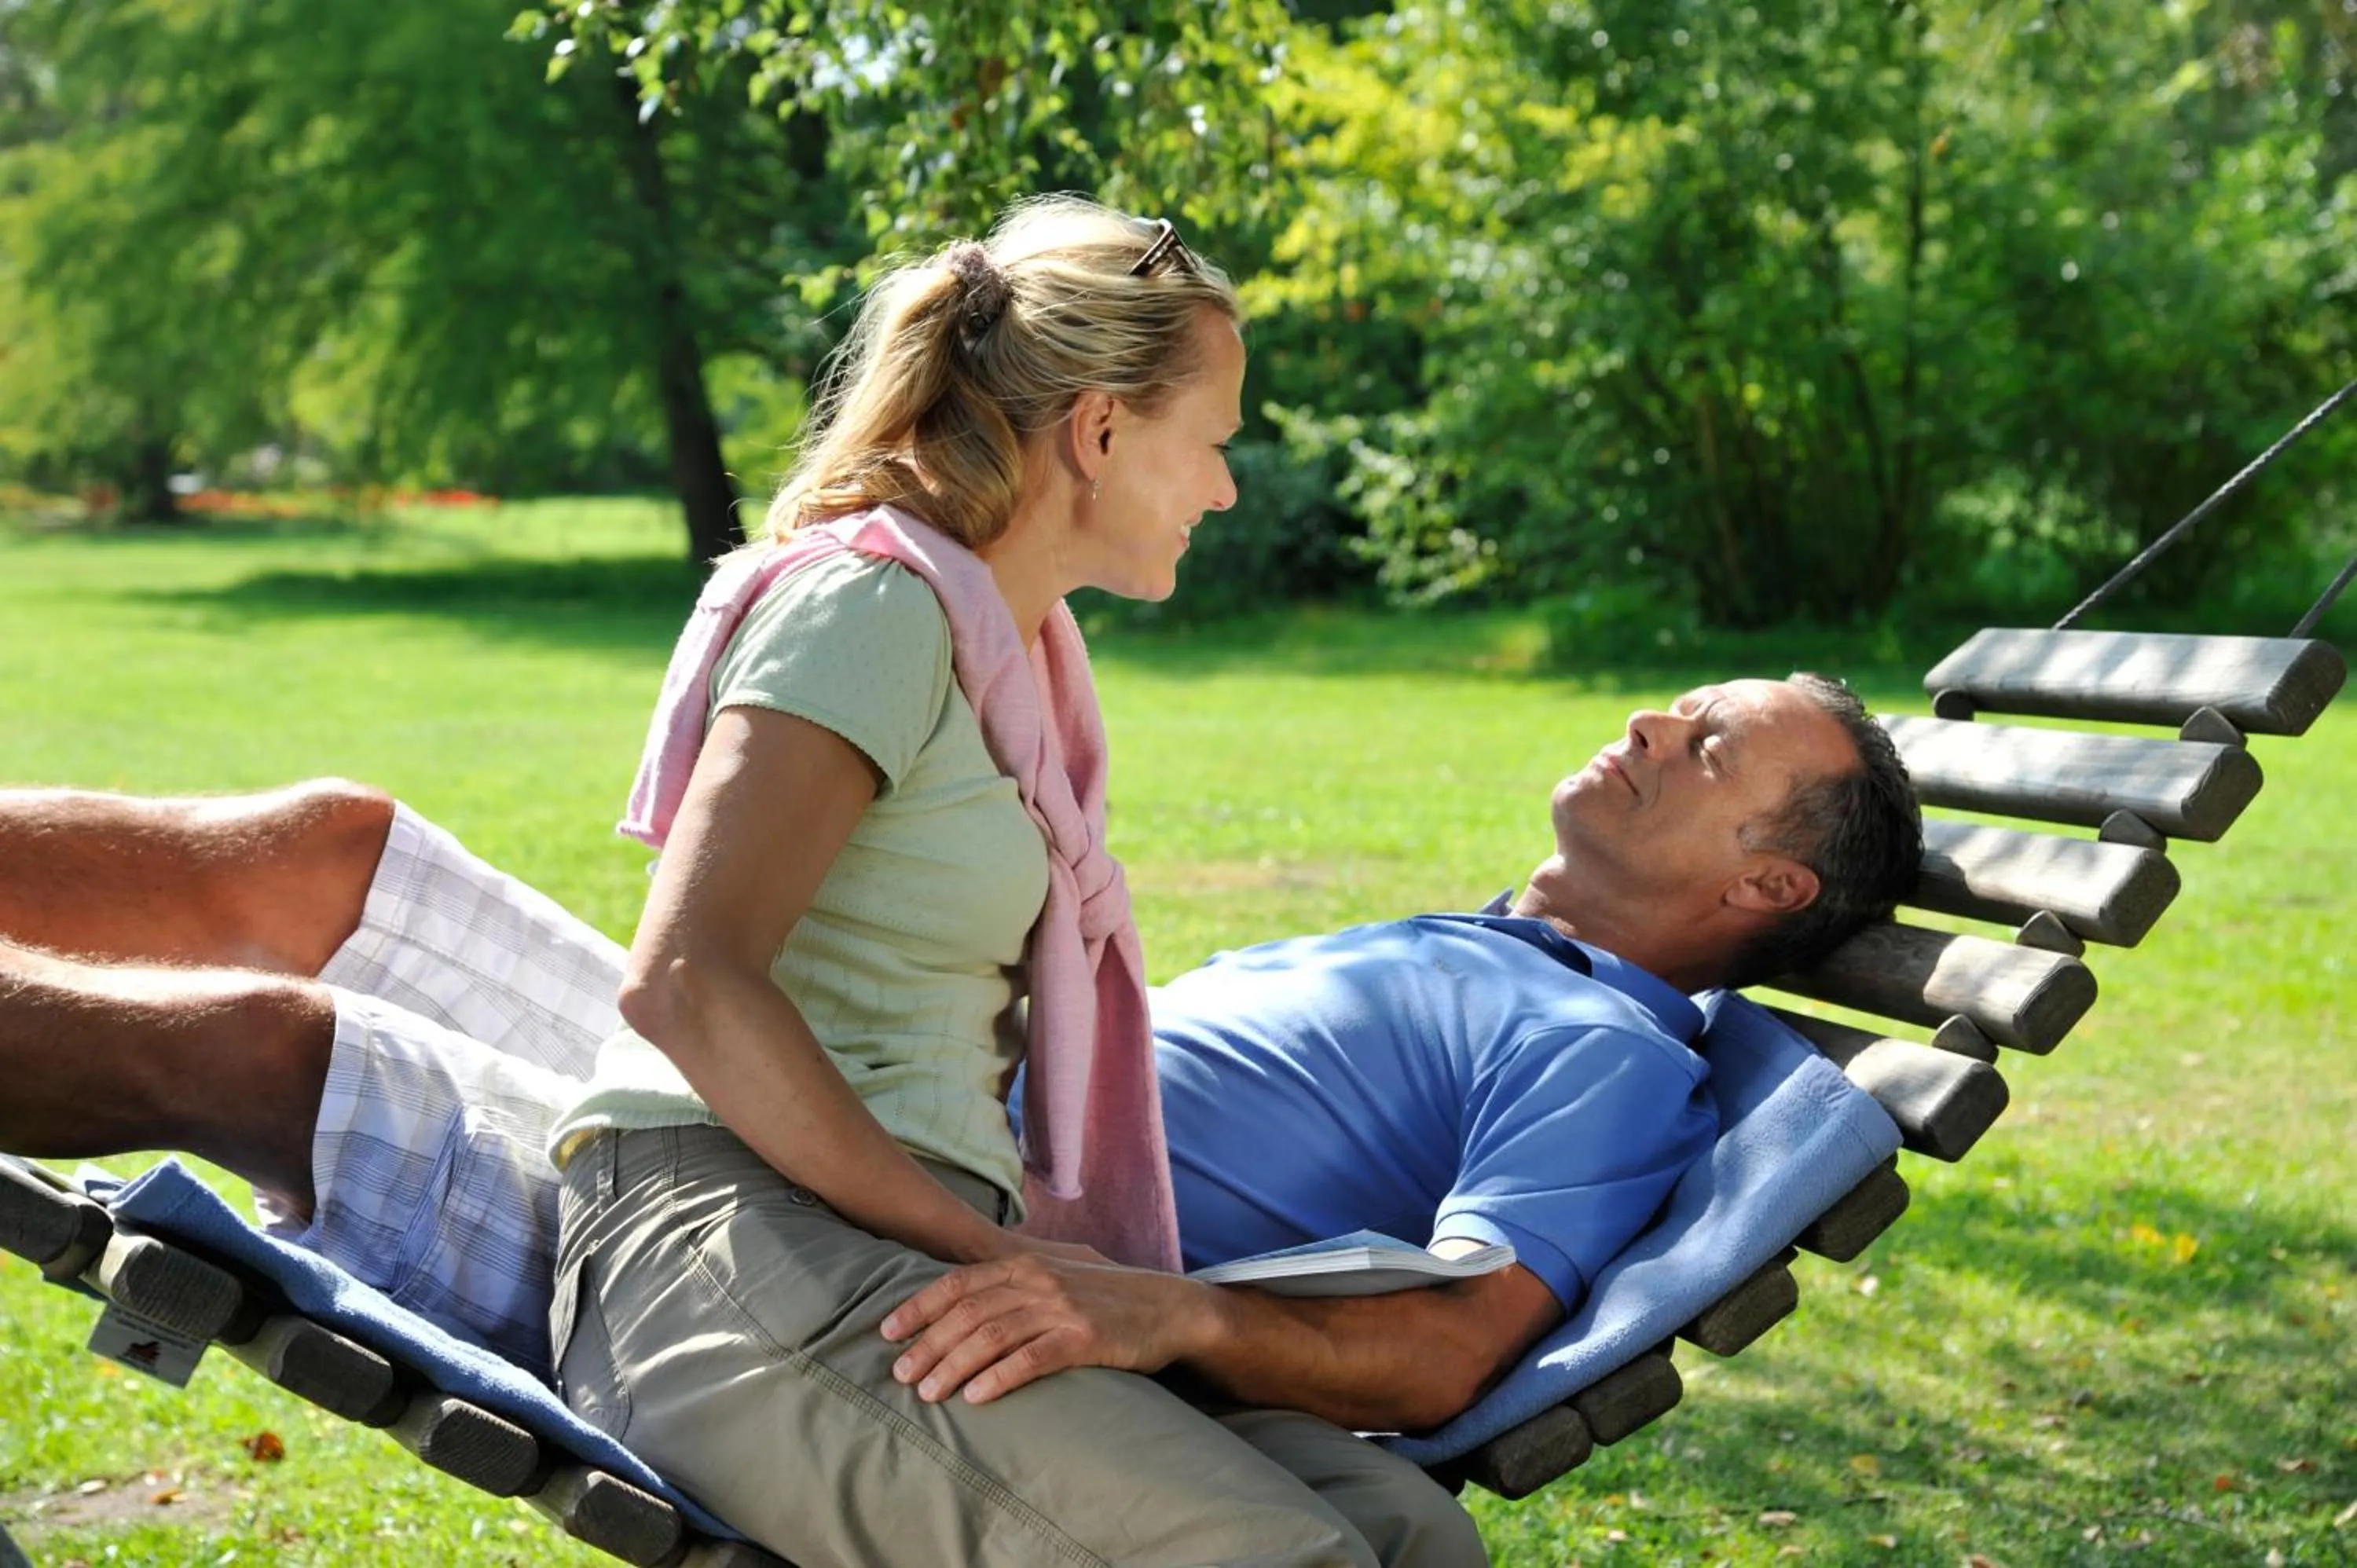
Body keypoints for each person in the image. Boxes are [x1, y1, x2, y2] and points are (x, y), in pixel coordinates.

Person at [0, 673, 1919, 1557]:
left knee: (275, 1046)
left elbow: (1447, 1345)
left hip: (824, 1244)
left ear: (1760, 891)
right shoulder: (1487, 941)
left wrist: (1162, 1312)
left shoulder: (1604, 1046)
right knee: (341, 854)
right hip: (831, 1092)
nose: (1660, 724)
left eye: (1717, 745)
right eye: (1681, 705)